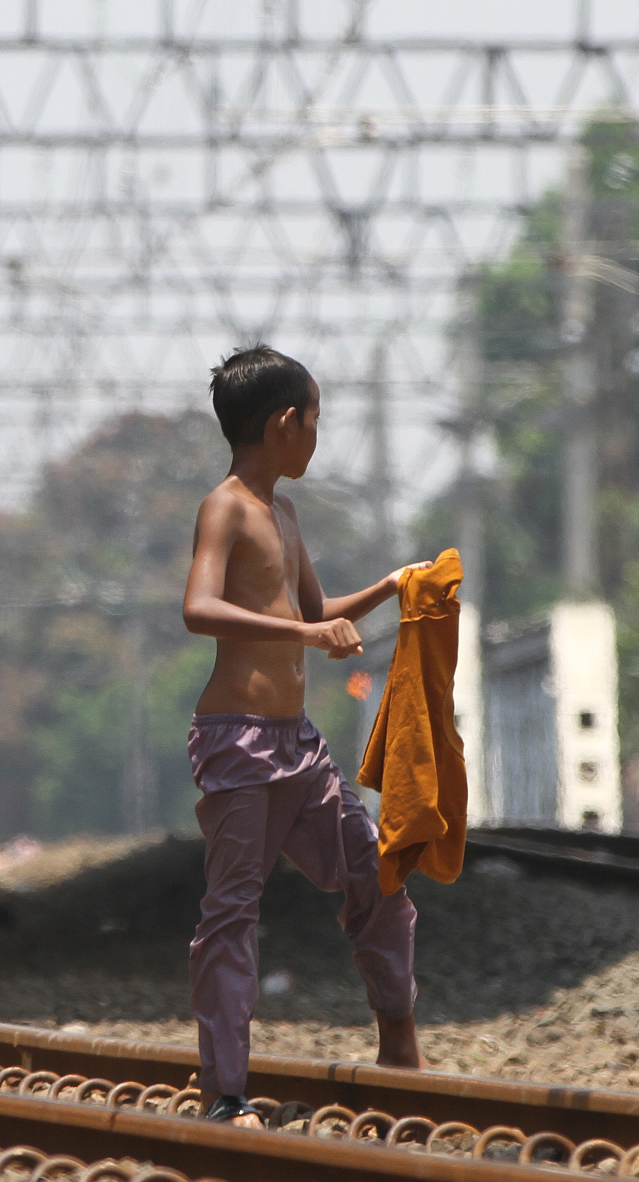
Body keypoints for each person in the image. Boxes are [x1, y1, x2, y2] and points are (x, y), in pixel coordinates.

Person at [180, 345, 426, 1127]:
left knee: (376, 874)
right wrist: (308, 635)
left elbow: (319, 613)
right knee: (232, 910)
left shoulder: (285, 513)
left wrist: (391, 586)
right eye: (314, 419)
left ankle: (399, 1050)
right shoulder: (225, 507)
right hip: (237, 740)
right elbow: (198, 608)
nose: (317, 435)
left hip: (297, 743)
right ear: (285, 422)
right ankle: (224, 1093)